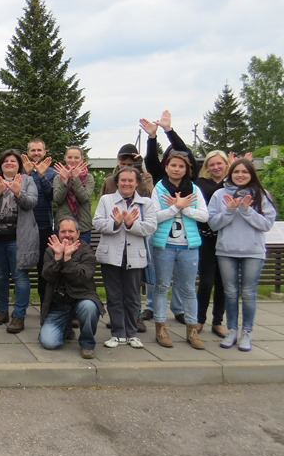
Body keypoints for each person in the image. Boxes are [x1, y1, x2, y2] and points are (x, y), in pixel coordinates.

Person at [208, 159, 276, 352]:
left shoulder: (261, 195)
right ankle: (231, 330)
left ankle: (247, 332)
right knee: (230, 292)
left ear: (251, 174)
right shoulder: (219, 194)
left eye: (244, 172)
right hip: (226, 251)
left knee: (248, 293)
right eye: (236, 171)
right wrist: (229, 210)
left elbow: (266, 224)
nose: (240, 175)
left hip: (253, 252)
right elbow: (213, 223)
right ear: (230, 173)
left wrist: (246, 210)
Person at [93, 167, 157, 348]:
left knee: (132, 297)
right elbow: (97, 223)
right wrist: (115, 222)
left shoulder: (145, 203)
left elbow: (151, 227)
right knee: (114, 296)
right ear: (117, 182)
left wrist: (131, 224)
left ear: (137, 183)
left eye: (130, 180)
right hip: (111, 256)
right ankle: (117, 333)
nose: (127, 183)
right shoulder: (107, 200)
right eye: (123, 180)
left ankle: (131, 333)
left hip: (135, 257)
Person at [149, 152, 208, 350]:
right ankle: (160, 328)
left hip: (188, 247)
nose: (176, 169)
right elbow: (154, 216)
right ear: (166, 167)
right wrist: (175, 208)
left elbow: (204, 216)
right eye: (173, 165)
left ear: (186, 170)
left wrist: (183, 208)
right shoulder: (158, 189)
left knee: (189, 289)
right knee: (162, 286)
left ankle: (192, 330)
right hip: (164, 246)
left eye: (181, 166)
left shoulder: (194, 189)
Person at [0, 149, 39, 334]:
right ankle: (2, 311)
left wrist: (18, 192)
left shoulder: (27, 180)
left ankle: (19, 316)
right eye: (6, 161)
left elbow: (32, 202)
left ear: (18, 164)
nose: (9, 163)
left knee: (20, 277)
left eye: (13, 161)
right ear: (1, 164)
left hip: (18, 240)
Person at [38, 218, 104, 358]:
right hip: (59, 304)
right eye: (63, 231)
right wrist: (57, 257)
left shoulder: (87, 251)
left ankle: (87, 344)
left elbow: (81, 278)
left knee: (90, 307)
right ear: (58, 233)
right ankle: (66, 328)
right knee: (49, 342)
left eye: (71, 231)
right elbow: (47, 277)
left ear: (78, 233)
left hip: (82, 299)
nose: (67, 235)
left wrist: (67, 259)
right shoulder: (51, 251)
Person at [194, 150, 231, 336]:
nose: (216, 167)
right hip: (206, 238)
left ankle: (218, 321)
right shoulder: (201, 184)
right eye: (212, 164)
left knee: (223, 282)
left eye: (219, 163)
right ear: (207, 167)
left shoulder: (234, 184)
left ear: (226, 164)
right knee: (206, 281)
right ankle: (199, 319)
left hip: (227, 239)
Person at [21, 138, 55, 302]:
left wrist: (41, 175)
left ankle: (45, 305)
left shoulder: (52, 172)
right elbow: (17, 195)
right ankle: (20, 308)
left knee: (44, 269)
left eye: (39, 150)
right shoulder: (20, 171)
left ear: (44, 152)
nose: (36, 153)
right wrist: (26, 174)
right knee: (22, 269)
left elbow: (53, 195)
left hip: (44, 226)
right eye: (32, 150)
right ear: (27, 152)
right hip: (24, 227)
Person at [53, 146, 94, 244]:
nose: (73, 160)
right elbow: (57, 199)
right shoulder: (58, 177)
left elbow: (84, 198)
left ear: (81, 159)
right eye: (70, 157)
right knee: (62, 256)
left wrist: (76, 179)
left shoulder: (88, 177)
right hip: (63, 227)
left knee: (83, 257)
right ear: (65, 158)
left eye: (76, 158)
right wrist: (65, 181)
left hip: (82, 226)